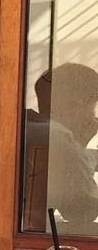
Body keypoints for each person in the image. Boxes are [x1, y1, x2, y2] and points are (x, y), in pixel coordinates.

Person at [25, 63, 98, 234]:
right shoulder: (58, 136)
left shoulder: (26, 125)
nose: (93, 117)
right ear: (76, 105)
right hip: (27, 242)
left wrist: (80, 150)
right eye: (93, 107)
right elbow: (82, 212)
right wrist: (80, 141)